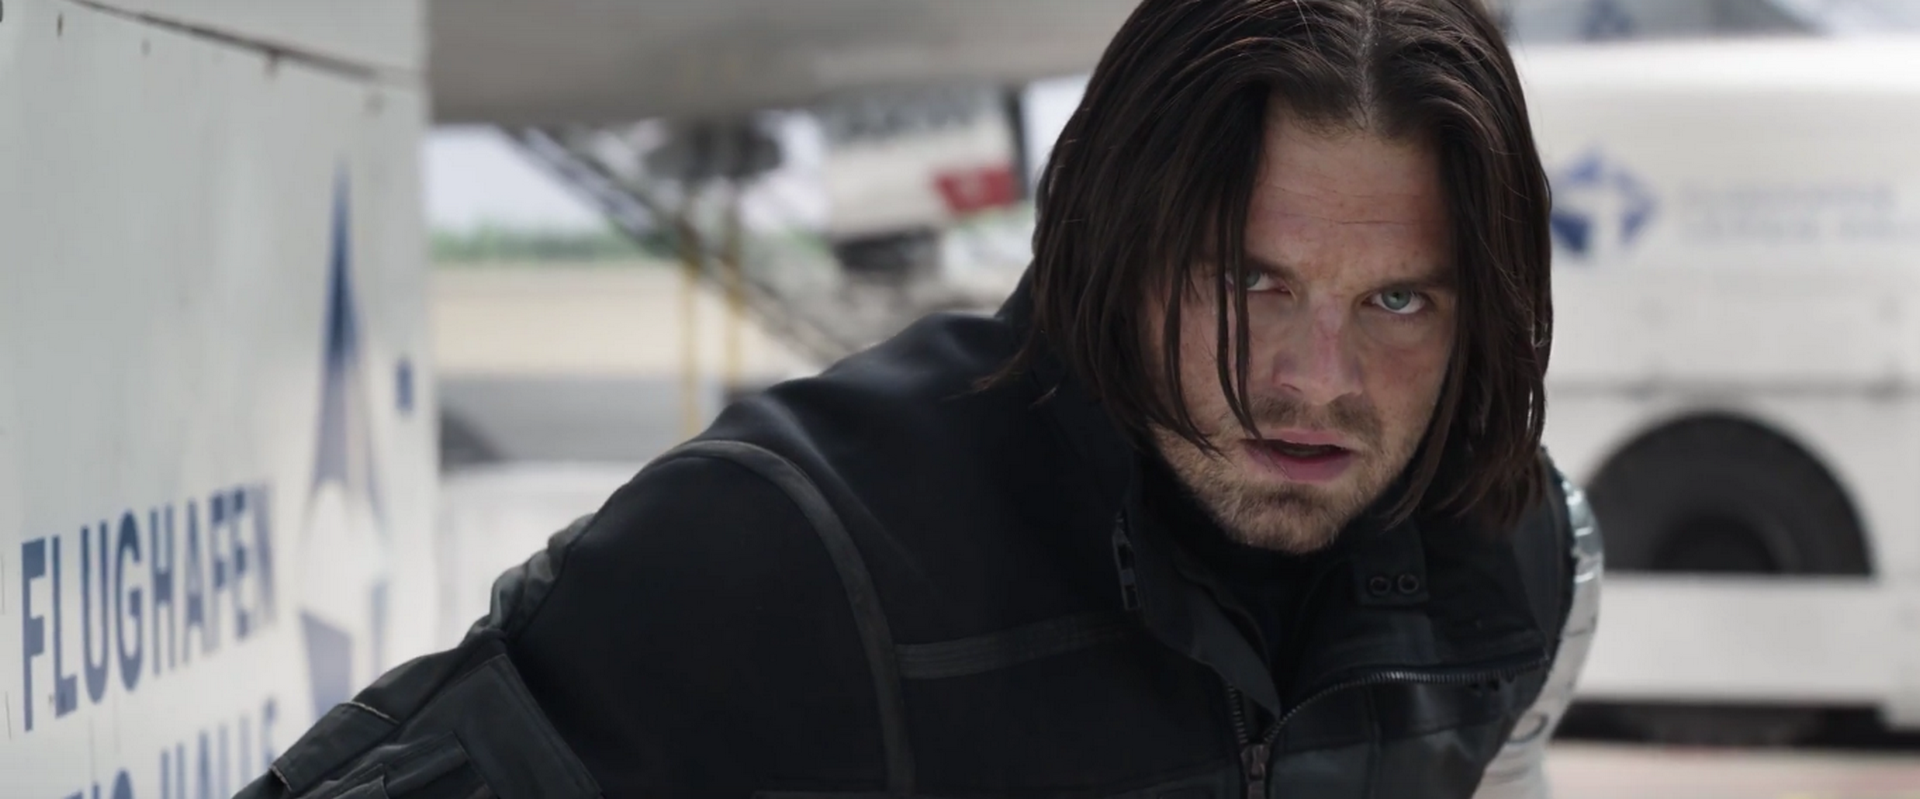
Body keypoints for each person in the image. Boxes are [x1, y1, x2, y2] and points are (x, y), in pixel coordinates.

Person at [240, 0, 1600, 797]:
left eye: (1399, 301)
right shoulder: (787, 547)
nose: (1317, 380)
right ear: (1116, 248)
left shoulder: (1509, 562)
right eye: (1247, 281)